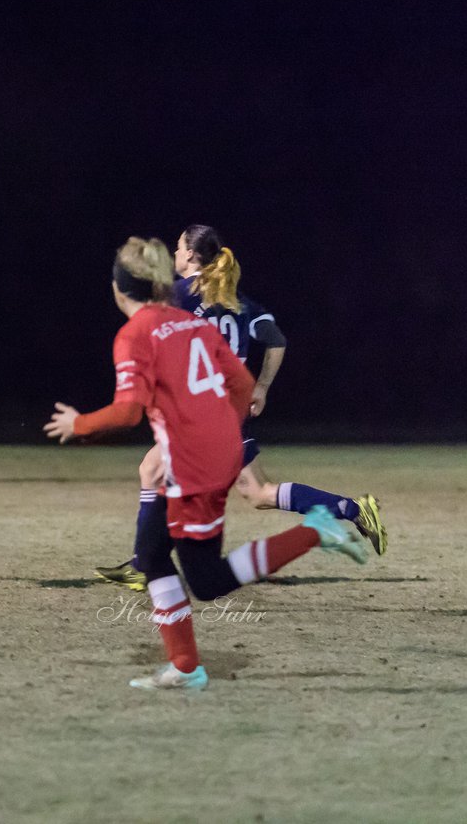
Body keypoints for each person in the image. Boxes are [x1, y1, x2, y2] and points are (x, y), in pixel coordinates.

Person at [45, 236, 369, 691]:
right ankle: (185, 666)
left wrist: (79, 424)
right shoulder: (189, 323)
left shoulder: (134, 335)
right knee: (152, 554)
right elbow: (241, 382)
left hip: (196, 463)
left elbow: (128, 411)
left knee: (207, 580)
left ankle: (316, 529)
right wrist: (216, 426)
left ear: (120, 290)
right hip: (217, 446)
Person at [94, 224, 386, 591]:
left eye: (179, 247)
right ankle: (354, 510)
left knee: (153, 470)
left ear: (191, 256)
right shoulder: (237, 299)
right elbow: (276, 339)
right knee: (258, 493)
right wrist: (261, 387)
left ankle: (144, 565)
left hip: (203, 416)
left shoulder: (182, 294)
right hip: (230, 409)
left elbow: (153, 327)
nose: (174, 255)